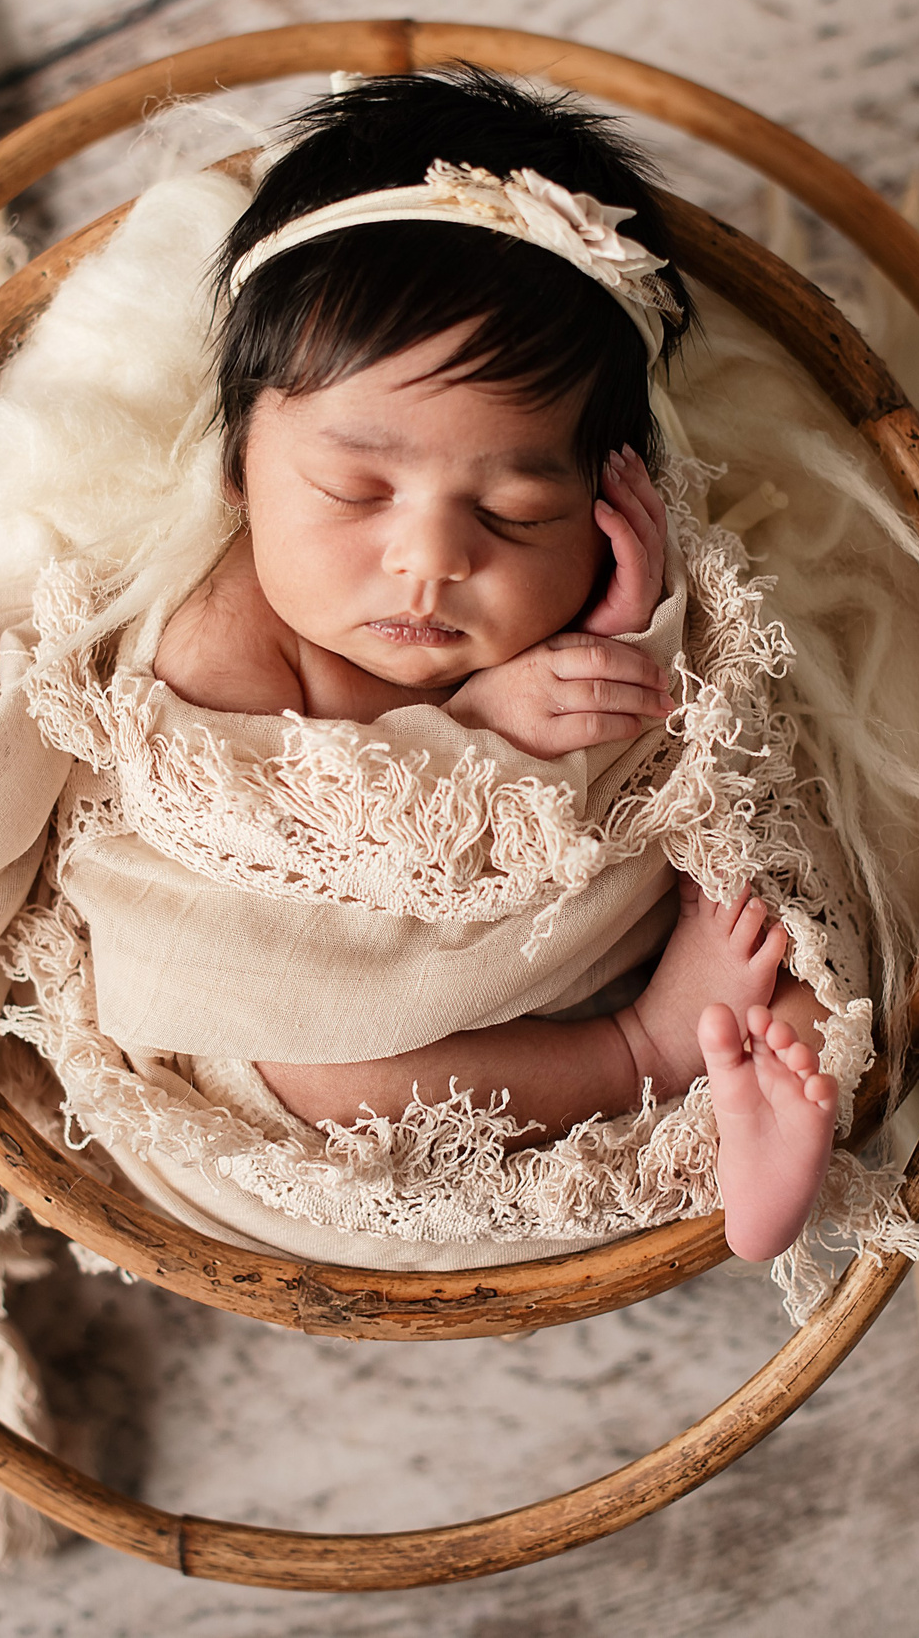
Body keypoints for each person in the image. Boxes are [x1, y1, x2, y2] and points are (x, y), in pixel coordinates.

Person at [147, 69, 841, 1262]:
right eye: (354, 490)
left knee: (782, 910)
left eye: (518, 511)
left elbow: (686, 757)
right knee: (316, 1067)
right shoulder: (228, 638)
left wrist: (627, 632)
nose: (428, 561)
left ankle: (759, 1127)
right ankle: (642, 1061)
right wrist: (482, 726)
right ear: (236, 472)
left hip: (593, 934)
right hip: (342, 1000)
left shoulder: (593, 570)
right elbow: (263, 875)